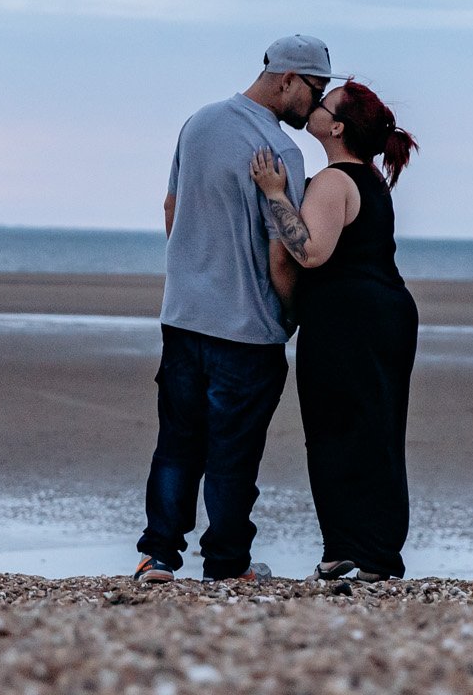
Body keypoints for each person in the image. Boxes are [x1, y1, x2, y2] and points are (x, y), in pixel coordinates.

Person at [133, 34, 343, 584]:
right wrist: (290, 317)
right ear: (288, 79)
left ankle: (158, 557)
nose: (316, 104)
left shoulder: (199, 122)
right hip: (246, 327)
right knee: (233, 453)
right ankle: (226, 564)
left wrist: (190, 269)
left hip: (183, 315)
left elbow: (171, 206)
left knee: (176, 444)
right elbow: (282, 254)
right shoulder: (282, 152)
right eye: (315, 89)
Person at [249, 81, 420, 582]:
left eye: (325, 105)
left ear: (337, 126)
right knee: (379, 428)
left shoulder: (334, 180)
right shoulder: (370, 180)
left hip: (349, 320)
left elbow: (310, 251)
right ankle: (377, 551)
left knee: (334, 429)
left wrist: (275, 194)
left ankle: (348, 549)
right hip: (385, 313)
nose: (316, 108)